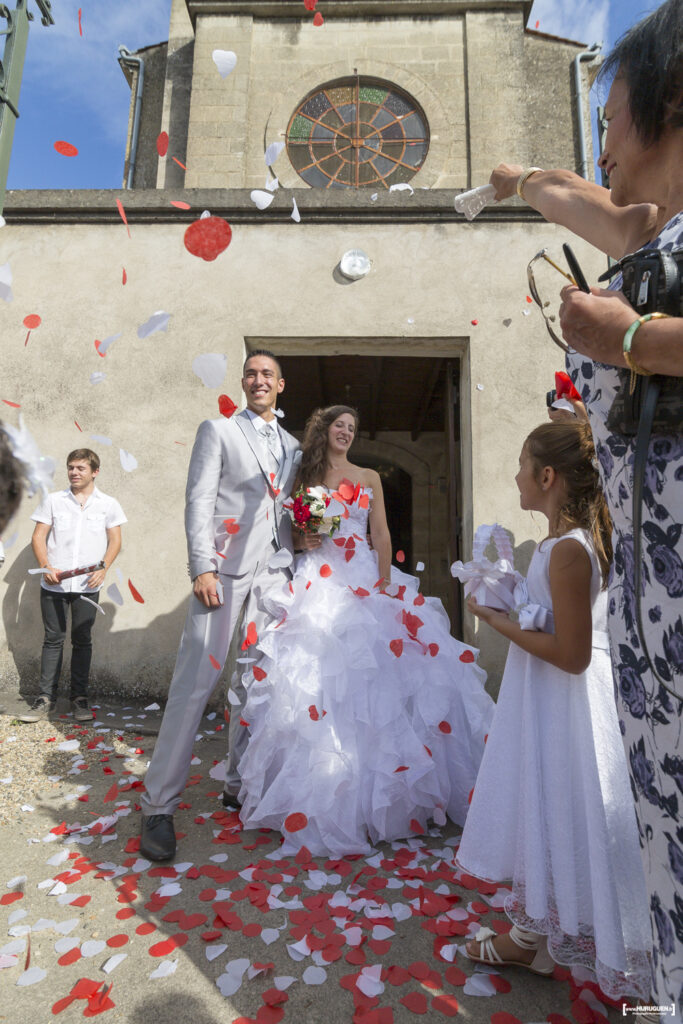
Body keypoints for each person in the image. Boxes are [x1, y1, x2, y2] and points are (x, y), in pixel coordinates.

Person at [488, 3, 683, 1010]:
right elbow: (575, 195)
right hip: (650, 603)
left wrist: (631, 339)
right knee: (661, 825)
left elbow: (644, 343)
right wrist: (514, 183)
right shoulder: (646, 226)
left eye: (609, 116)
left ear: (666, 106)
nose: (599, 137)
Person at [235, 405, 494, 856]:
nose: (347, 432)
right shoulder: (307, 480)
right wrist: (302, 540)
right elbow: (292, 534)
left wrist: (383, 584)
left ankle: (390, 796)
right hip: (320, 576)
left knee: (379, 676)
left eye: (353, 427)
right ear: (325, 429)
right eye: (340, 425)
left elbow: (382, 535)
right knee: (319, 678)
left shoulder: (369, 476)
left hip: (362, 576)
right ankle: (320, 796)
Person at [457, 422, 652, 1003]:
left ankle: (634, 972)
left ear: (547, 477)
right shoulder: (555, 546)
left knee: (582, 813)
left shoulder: (569, 550)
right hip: (545, 701)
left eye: (522, 465)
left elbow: (570, 654)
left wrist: (495, 622)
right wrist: (509, 595)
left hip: (569, 705)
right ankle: (534, 935)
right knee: (547, 806)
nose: (515, 475)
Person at [139, 350, 301, 861]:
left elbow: (289, 509)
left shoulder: (294, 446)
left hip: (274, 577)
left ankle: (237, 785)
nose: (258, 380)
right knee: (195, 684)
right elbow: (199, 500)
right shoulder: (218, 430)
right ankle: (158, 806)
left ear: (281, 386)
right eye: (251, 373)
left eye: (267, 375)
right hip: (223, 574)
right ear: (245, 382)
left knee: (252, 685)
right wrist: (201, 566)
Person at [19, 448, 126, 724]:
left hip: (87, 585)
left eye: (80, 468)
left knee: (82, 641)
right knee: (52, 640)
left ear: (94, 472)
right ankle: (45, 699)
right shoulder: (53, 501)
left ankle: (79, 699)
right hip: (54, 584)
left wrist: (103, 567)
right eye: (71, 468)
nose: (74, 473)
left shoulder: (108, 504)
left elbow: (115, 541)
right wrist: (46, 565)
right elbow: (38, 537)